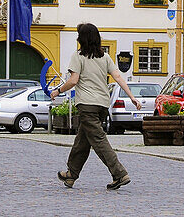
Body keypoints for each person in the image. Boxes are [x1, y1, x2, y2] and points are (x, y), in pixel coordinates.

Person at [50, 22, 140, 190]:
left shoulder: (78, 56)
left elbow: (73, 80)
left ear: (81, 39)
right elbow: (118, 77)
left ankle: (120, 174)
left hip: (87, 105)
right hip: (102, 106)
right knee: (82, 141)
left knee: (99, 140)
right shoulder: (105, 57)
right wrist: (132, 97)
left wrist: (58, 91)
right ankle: (71, 175)